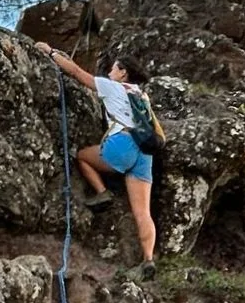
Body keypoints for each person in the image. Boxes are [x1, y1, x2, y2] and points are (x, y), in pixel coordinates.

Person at [36, 36, 160, 264]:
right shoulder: (142, 96)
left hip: (122, 143)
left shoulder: (113, 87)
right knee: (143, 212)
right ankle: (149, 260)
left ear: (123, 73)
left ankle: (102, 192)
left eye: (114, 68)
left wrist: (51, 52)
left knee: (82, 156)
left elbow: (77, 73)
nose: (110, 72)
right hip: (144, 153)